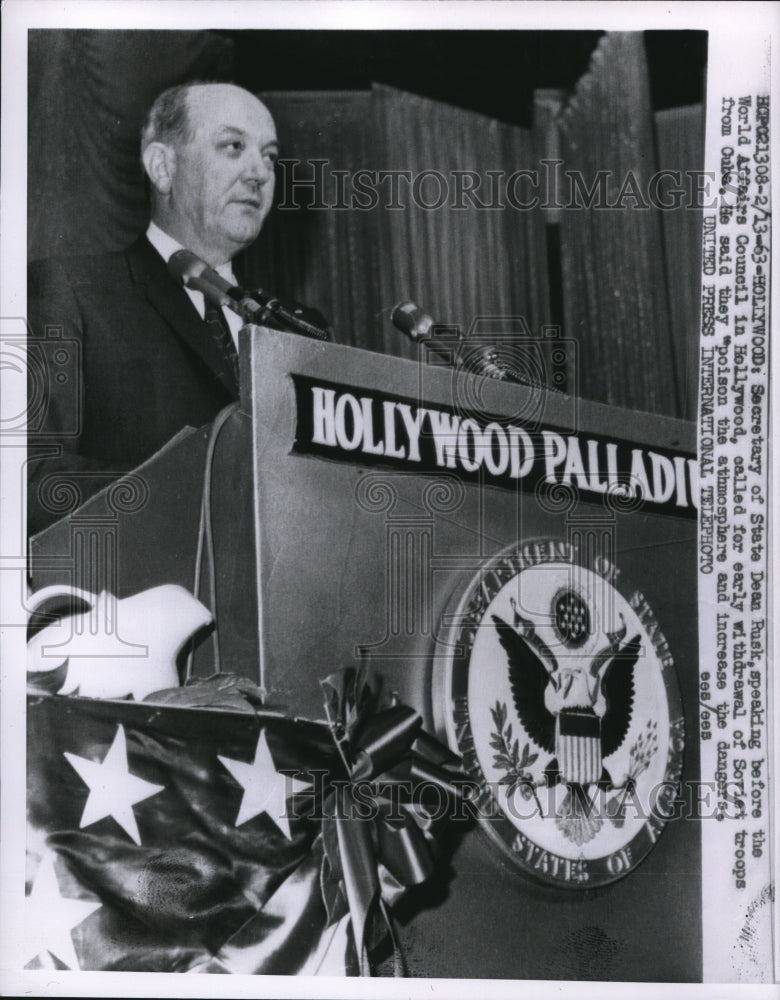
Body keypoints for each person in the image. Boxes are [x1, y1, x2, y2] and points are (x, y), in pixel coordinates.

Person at [27, 82, 305, 535]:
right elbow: (32, 482)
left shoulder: (296, 327)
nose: (260, 173)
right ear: (162, 166)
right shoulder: (71, 291)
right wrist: (200, 493)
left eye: (269, 156)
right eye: (233, 147)